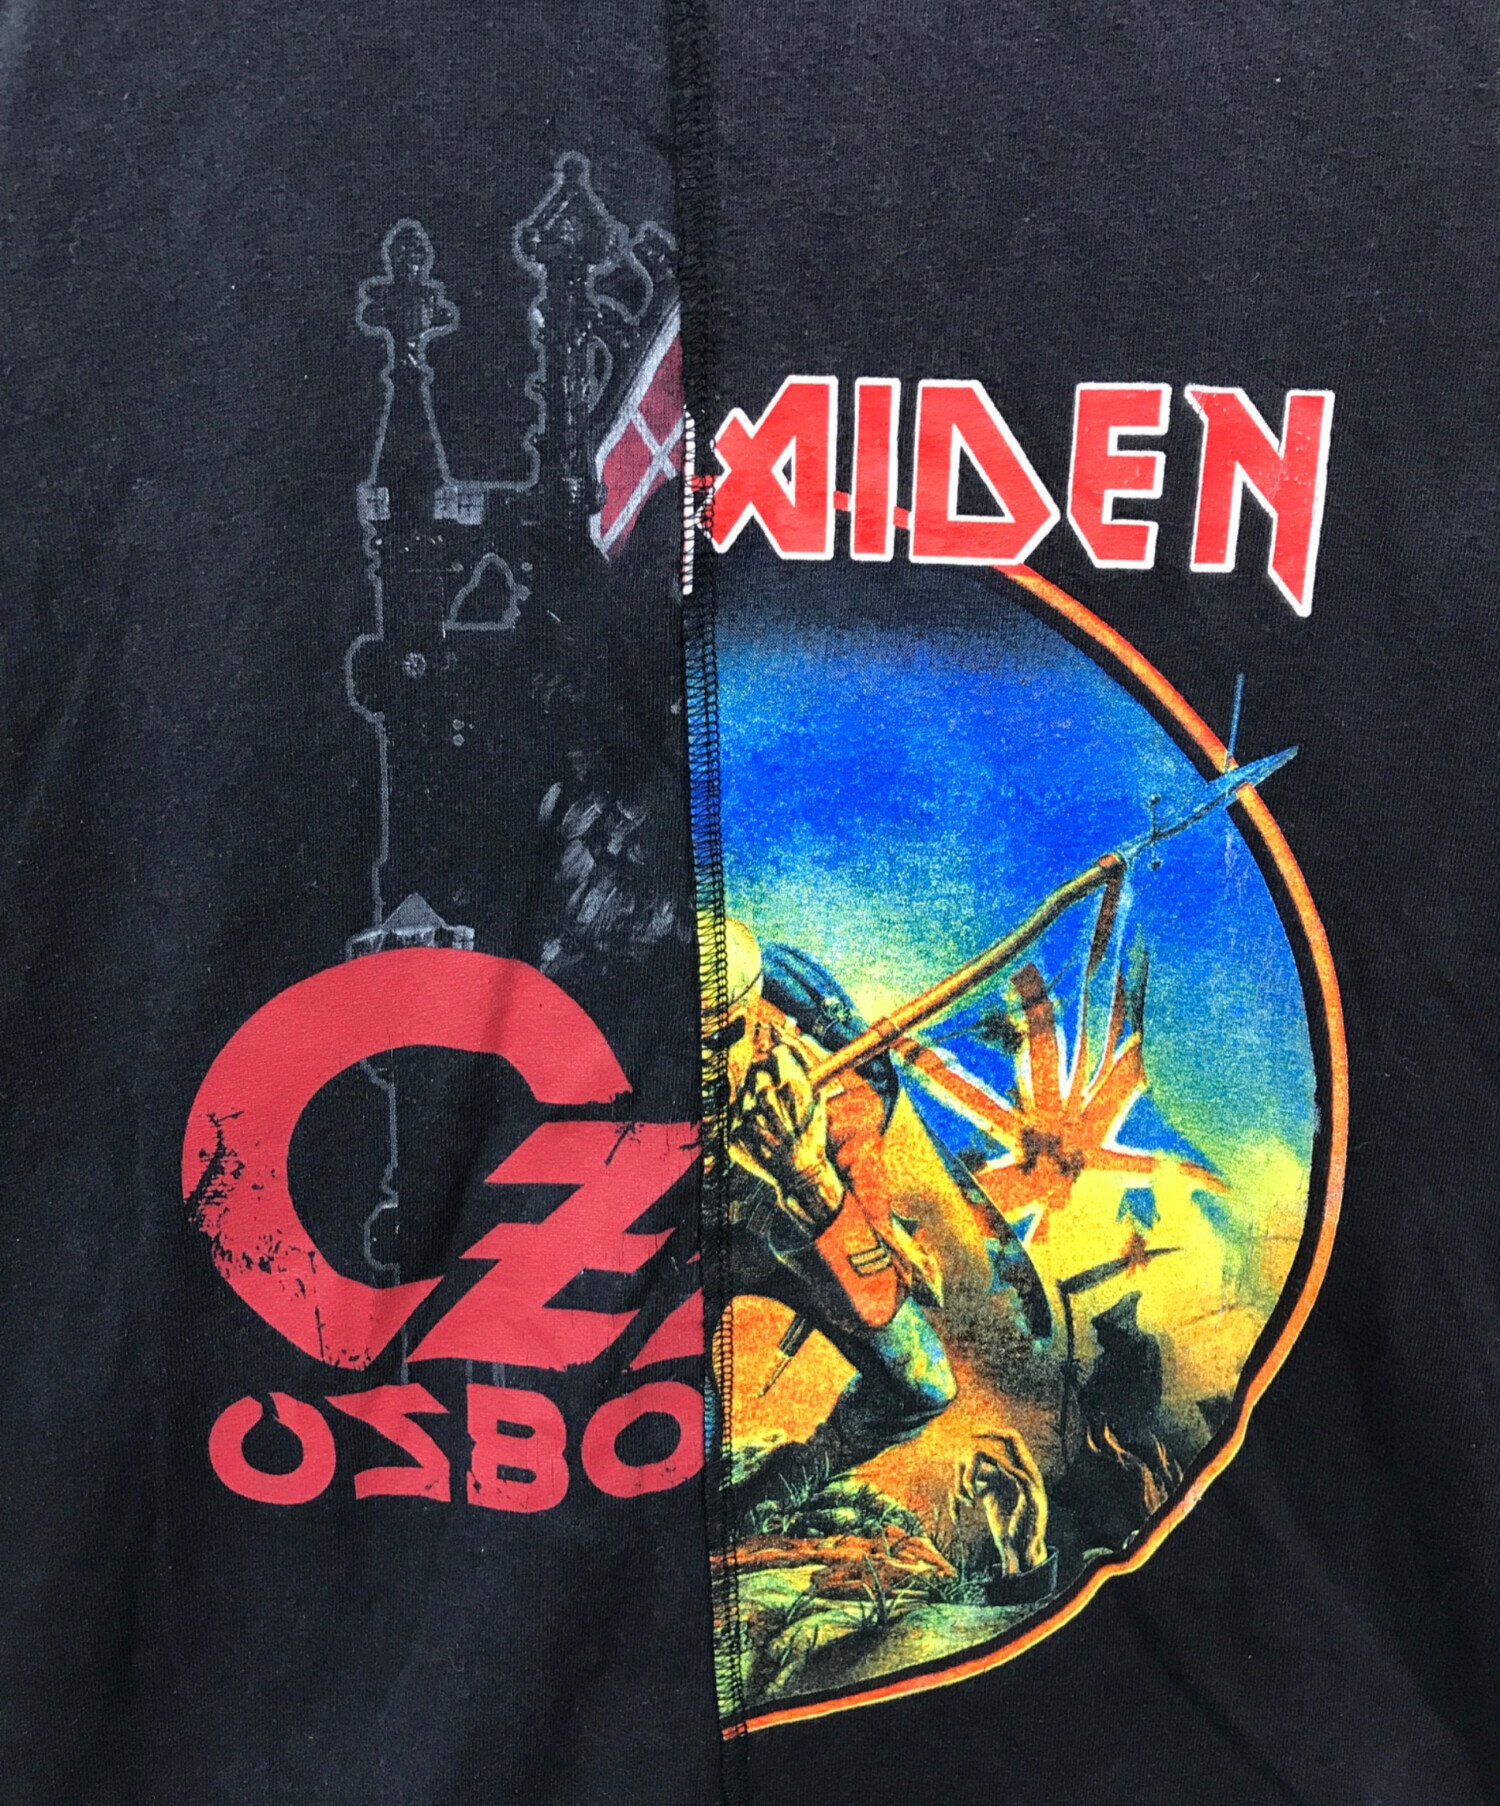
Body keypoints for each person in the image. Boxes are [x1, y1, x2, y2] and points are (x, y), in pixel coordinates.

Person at [710, 918, 959, 1513]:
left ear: (757, 1026)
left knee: (923, 1382)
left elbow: (875, 1303)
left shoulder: (841, 1102)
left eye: (720, 1039)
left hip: (789, 1239)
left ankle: (796, 1477)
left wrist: (809, 1175)